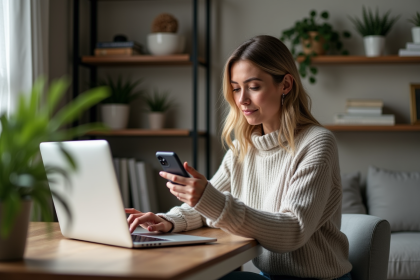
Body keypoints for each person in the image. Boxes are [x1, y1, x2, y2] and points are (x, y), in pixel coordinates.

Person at [125, 35, 353, 280]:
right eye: (236, 88)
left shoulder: (317, 143)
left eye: (253, 87)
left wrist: (208, 198)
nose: (242, 99)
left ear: (285, 85)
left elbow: (293, 232)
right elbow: (208, 208)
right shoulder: (242, 147)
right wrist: (166, 221)